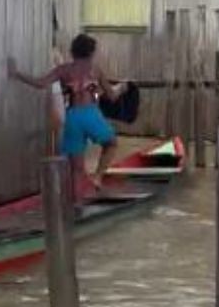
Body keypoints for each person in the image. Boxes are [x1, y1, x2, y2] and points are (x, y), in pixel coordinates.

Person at [7, 33, 128, 197]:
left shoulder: (63, 70)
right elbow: (112, 96)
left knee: (76, 168)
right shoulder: (95, 70)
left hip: (72, 117)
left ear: (73, 51)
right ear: (91, 52)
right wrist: (121, 88)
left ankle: (75, 206)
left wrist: (17, 74)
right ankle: (98, 176)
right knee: (111, 144)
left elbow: (40, 83)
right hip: (91, 114)